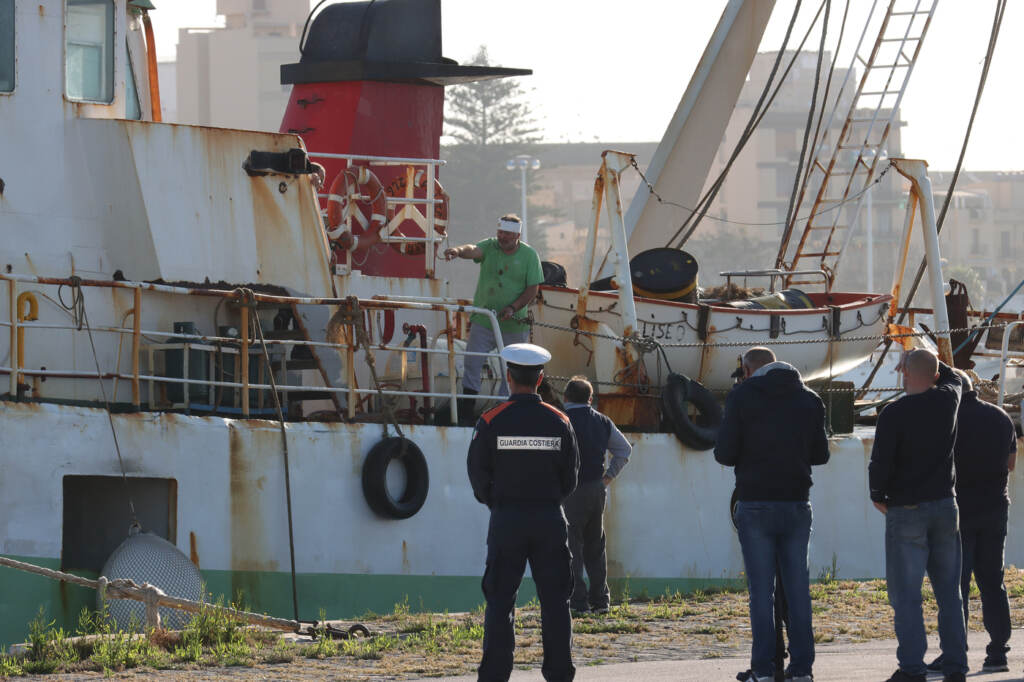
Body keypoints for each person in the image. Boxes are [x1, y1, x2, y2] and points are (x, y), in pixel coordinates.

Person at [714, 347, 829, 682]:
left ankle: (763, 671)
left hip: (755, 502)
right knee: (797, 590)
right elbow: (820, 455)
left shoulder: (742, 396)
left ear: (748, 370)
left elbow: (725, 453)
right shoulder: (810, 399)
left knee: (761, 593)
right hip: (796, 503)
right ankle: (802, 670)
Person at [467, 343, 580, 682]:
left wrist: (497, 501)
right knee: (556, 602)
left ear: (508, 377)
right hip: (549, 519)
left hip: (507, 520)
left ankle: (495, 675)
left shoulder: (490, 421)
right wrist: (547, 500)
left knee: (500, 602)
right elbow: (570, 477)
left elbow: (477, 473)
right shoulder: (560, 421)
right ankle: (560, 673)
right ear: (541, 378)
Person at [868, 349, 967, 682]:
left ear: (904, 374)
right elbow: (952, 377)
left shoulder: (893, 413)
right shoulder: (948, 400)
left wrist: (877, 495)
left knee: (907, 596)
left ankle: (912, 668)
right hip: (944, 505)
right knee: (949, 592)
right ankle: (956, 665)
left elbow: (880, 462)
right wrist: (928, 362)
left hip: (906, 508)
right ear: (936, 375)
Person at [925, 370, 1016, 674]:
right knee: (993, 582)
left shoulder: (946, 420)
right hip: (995, 508)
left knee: (955, 586)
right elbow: (1011, 462)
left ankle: (955, 652)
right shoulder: (1001, 416)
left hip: (959, 510)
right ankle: (998, 652)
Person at [444, 214, 544, 424]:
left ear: (517, 234)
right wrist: (457, 251)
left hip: (514, 324)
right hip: (484, 320)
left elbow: (532, 288)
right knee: (472, 363)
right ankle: (466, 412)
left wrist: (513, 307)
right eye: (500, 232)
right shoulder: (490, 247)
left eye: (507, 233)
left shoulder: (529, 255)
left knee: (512, 369)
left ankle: (504, 412)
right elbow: (473, 250)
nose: (502, 237)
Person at [561, 375, 632, 615]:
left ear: (565, 397)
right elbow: (624, 450)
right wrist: (607, 478)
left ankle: (578, 602)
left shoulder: (562, 421)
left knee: (572, 547)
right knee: (595, 546)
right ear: (590, 398)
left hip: (569, 491)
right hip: (596, 488)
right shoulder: (603, 421)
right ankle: (600, 601)